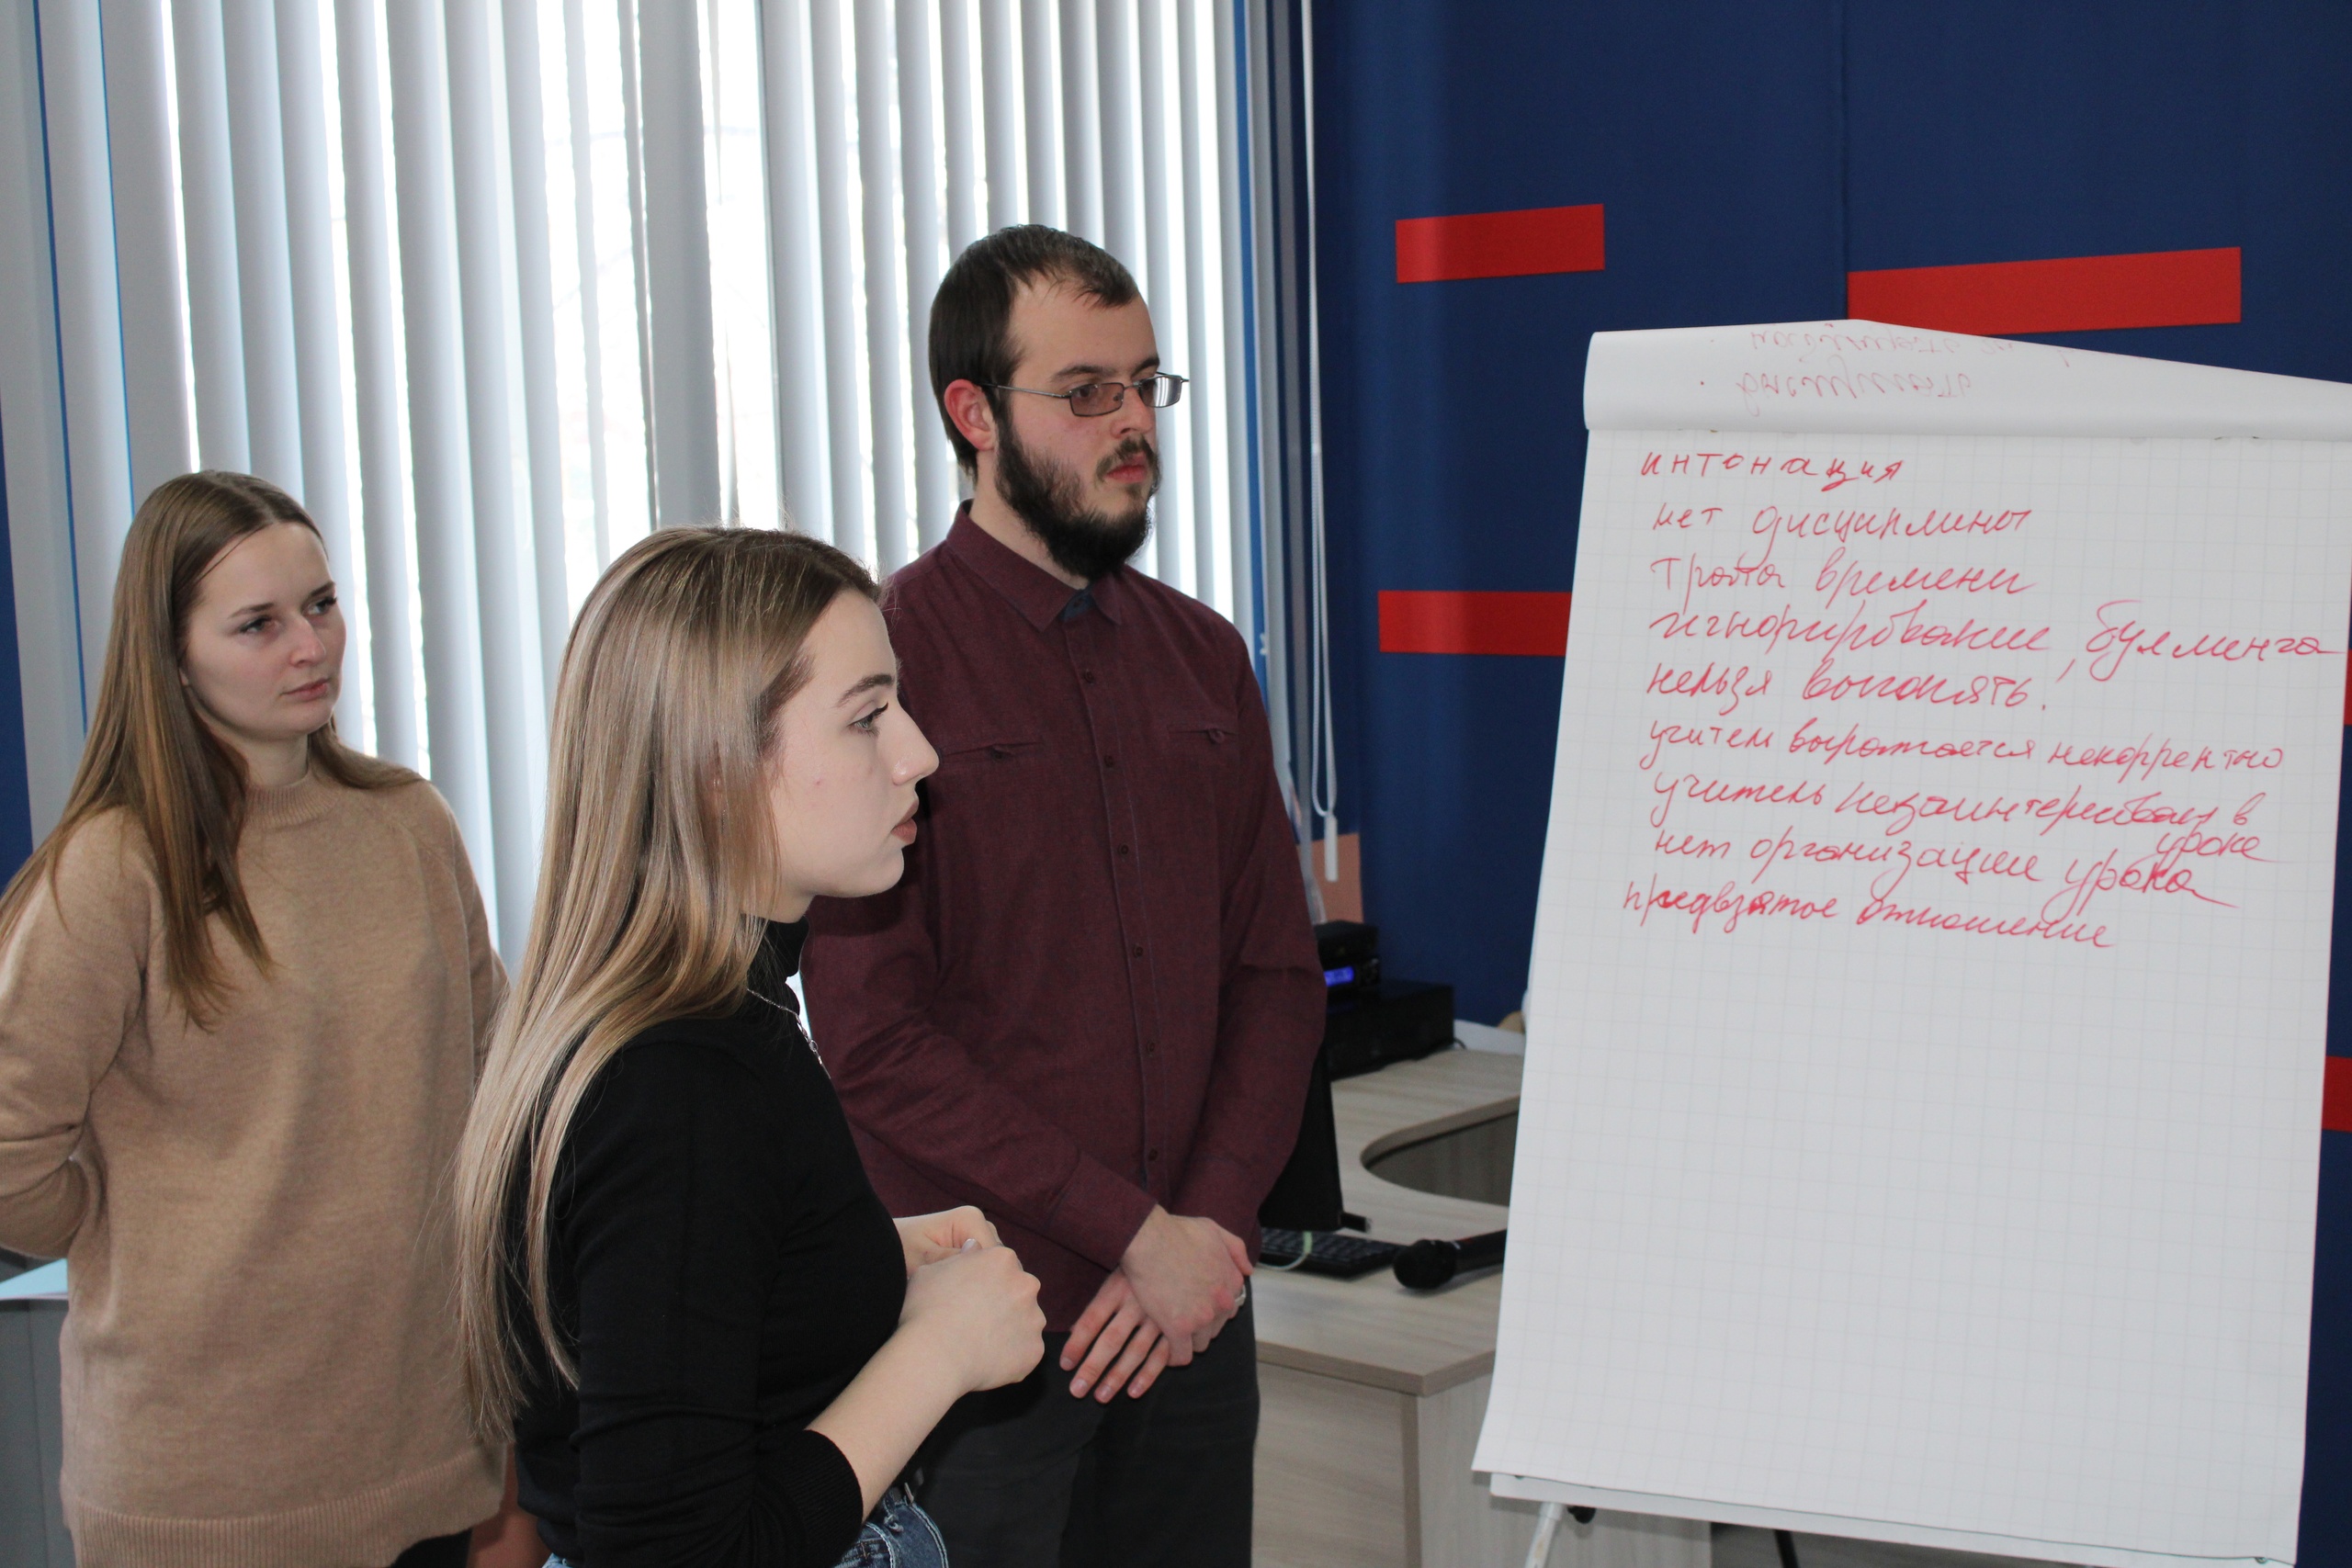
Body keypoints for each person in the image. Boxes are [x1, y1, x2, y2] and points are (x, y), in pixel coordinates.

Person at [804, 225, 1326, 1567]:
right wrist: (1131, 1232)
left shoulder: (1204, 657)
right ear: (973, 413)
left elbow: (1275, 976)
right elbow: (872, 1036)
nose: (1132, 422)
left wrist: (1203, 1230)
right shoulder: (885, 671)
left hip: (1192, 1313)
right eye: (1086, 391)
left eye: (1146, 384)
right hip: (981, 1327)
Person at [452, 526, 1047, 1568]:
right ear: (717, 772)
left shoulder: (706, 1022)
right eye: (866, 717)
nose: (918, 753)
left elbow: (686, 1301)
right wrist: (939, 1354)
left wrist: (850, 1257)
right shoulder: (678, 1081)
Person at [0, 471, 504, 1566]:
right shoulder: (112, 869)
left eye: (321, 605)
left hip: (419, 1444)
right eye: (258, 624)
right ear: (172, 655)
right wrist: (128, 1224)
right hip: (203, 1478)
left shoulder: (407, 823)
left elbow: (493, 1076)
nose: (310, 646)